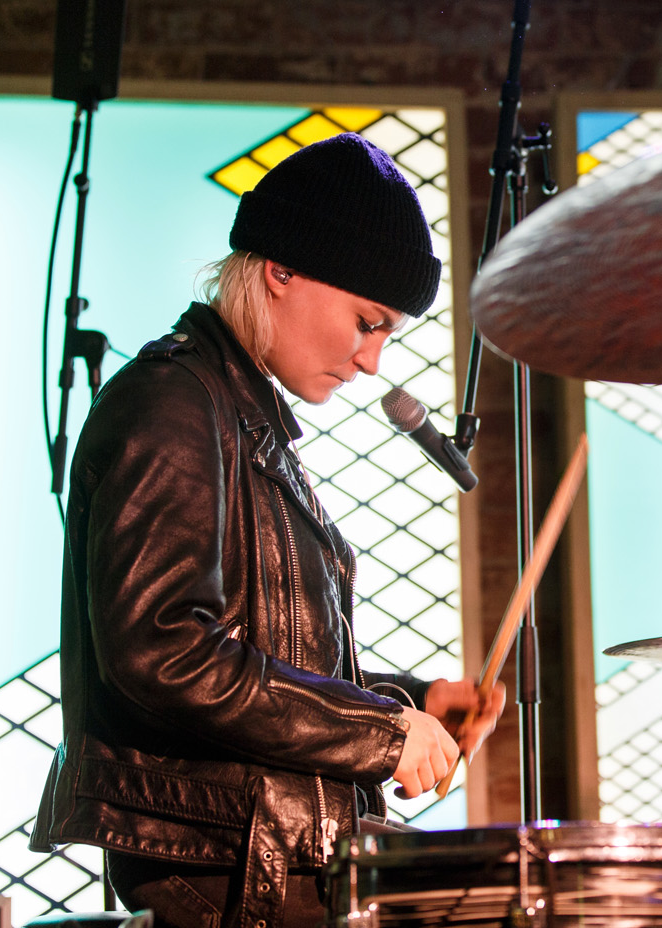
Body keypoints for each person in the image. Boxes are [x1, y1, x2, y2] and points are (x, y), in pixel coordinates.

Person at [30, 132, 504, 928]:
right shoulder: (173, 403)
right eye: (367, 321)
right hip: (228, 877)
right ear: (282, 269)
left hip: (266, 860)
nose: (372, 362)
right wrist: (380, 730)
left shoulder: (239, 417)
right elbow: (163, 649)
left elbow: (260, 651)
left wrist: (414, 700)